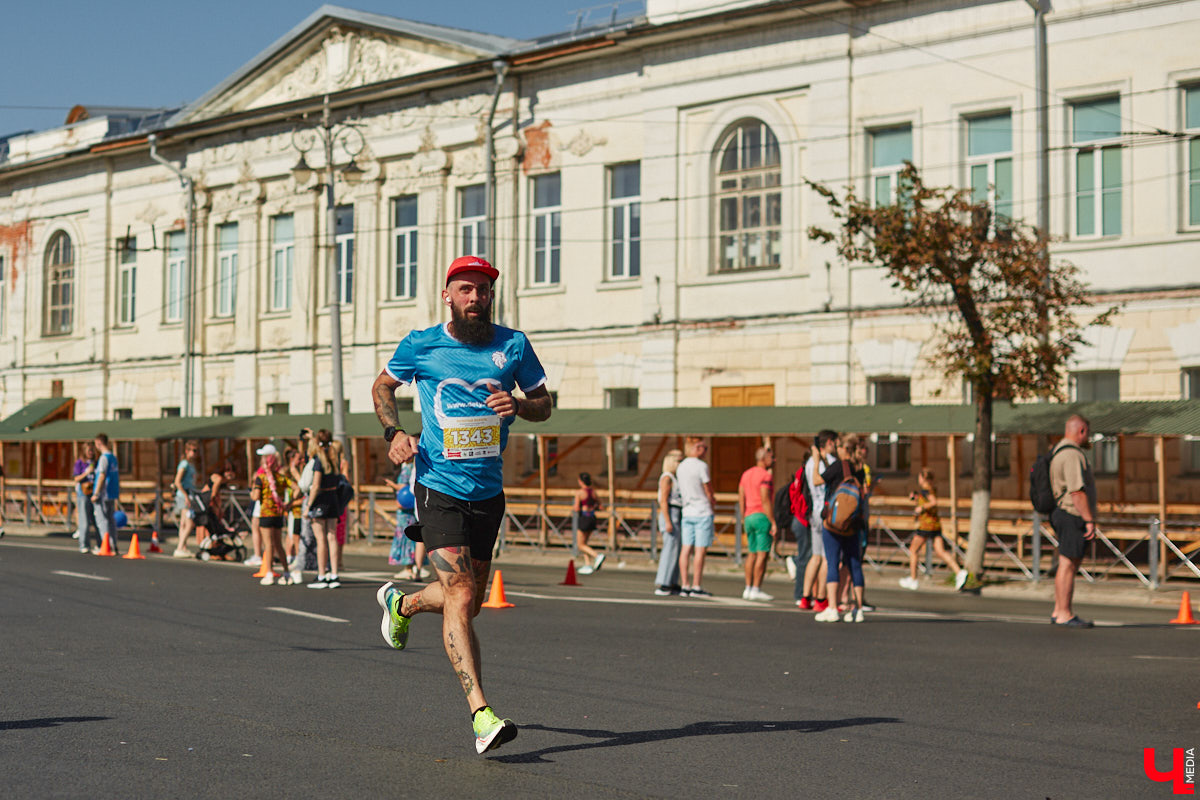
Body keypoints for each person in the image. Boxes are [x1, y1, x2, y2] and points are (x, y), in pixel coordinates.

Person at [371, 255, 552, 754]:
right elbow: (383, 385)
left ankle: (401, 602)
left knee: (464, 602)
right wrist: (395, 432)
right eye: (466, 289)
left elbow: (545, 405)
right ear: (447, 294)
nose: (476, 298)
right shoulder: (422, 344)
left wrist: (518, 405)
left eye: (484, 290)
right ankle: (481, 715)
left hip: (487, 492)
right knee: (464, 592)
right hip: (438, 486)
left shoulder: (513, 345)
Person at [1049, 415, 1097, 628]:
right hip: (1072, 515)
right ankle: (1063, 613)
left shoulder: (1060, 450)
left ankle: (1059, 611)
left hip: (1065, 513)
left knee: (1067, 563)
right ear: (1082, 431)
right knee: (1068, 564)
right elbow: (1077, 491)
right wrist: (1089, 520)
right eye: (1088, 433)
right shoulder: (1071, 455)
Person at [814, 434, 868, 623]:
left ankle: (832, 608)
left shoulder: (838, 466)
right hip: (852, 524)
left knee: (832, 563)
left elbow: (816, 480)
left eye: (838, 446)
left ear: (844, 448)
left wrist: (816, 460)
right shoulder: (860, 469)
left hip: (834, 524)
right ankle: (859, 609)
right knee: (854, 565)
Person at [901, 468, 968, 591]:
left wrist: (921, 508)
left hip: (926, 526)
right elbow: (926, 498)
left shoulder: (927, 490)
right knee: (940, 551)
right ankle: (959, 572)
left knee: (913, 550)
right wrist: (916, 497)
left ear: (923, 478)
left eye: (920, 477)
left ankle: (913, 579)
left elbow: (933, 502)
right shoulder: (928, 490)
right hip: (935, 525)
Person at [802, 430, 838, 612]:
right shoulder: (831, 463)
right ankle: (821, 598)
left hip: (813, 511)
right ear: (829, 443)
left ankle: (805, 596)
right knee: (826, 558)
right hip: (826, 511)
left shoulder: (810, 462)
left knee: (815, 556)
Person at [306, 429, 347, 589]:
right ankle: (335, 574)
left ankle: (322, 575)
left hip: (320, 499)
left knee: (321, 539)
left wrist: (308, 506)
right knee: (332, 537)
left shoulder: (319, 460)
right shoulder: (334, 458)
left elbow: (315, 485)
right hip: (333, 498)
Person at [676, 436, 716, 598]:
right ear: (695, 448)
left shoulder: (681, 466)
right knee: (700, 550)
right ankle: (696, 585)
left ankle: (685, 584)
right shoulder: (701, 466)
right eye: (703, 448)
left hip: (687, 511)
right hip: (702, 510)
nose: (705, 451)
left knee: (686, 549)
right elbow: (708, 489)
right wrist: (712, 502)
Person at [251, 444, 293, 585]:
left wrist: (252, 492)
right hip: (278, 514)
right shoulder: (281, 478)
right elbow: (296, 487)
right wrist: (289, 503)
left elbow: (256, 496)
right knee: (278, 544)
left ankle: (269, 572)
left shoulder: (261, 478)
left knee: (268, 545)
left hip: (266, 514)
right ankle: (287, 572)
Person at [738, 446, 776, 601]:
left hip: (748, 515)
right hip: (761, 515)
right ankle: (756, 588)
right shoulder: (765, 475)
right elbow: (765, 498)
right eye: (771, 457)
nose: (774, 460)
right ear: (763, 459)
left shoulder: (746, 474)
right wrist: (772, 520)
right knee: (762, 553)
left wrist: (743, 515)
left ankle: (747, 588)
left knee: (751, 553)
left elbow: (741, 496)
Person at [654, 448, 685, 596]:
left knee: (677, 549)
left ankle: (672, 581)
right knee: (670, 549)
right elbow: (663, 501)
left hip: (677, 512)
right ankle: (664, 582)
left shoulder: (674, 477)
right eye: (678, 460)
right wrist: (667, 521)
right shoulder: (667, 478)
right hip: (670, 513)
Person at [90, 433, 121, 555]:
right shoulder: (113, 457)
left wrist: (96, 493)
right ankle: (114, 544)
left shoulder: (104, 458)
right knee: (111, 520)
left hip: (103, 493)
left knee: (102, 521)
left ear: (98, 443)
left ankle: (106, 545)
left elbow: (101, 475)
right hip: (112, 492)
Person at [173, 440, 201, 557]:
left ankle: (183, 547)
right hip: (184, 495)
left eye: (196, 451)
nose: (194, 453)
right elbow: (177, 482)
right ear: (187, 451)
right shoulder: (184, 464)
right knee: (189, 523)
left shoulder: (191, 464)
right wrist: (185, 496)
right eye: (192, 451)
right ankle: (180, 547)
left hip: (189, 494)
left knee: (184, 523)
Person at [574, 472, 605, 575]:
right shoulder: (593, 492)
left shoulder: (580, 493)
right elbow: (601, 506)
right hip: (592, 517)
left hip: (584, 518)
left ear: (581, 481)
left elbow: (576, 508)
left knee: (580, 544)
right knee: (585, 543)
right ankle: (587, 565)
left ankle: (597, 556)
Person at [72, 443, 98, 554]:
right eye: (89, 450)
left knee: (96, 520)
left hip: (94, 493)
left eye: (92, 450)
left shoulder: (96, 463)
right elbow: (76, 478)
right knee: (84, 521)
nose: (91, 452)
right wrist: (86, 472)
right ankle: (84, 544)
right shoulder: (79, 463)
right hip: (83, 493)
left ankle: (100, 544)